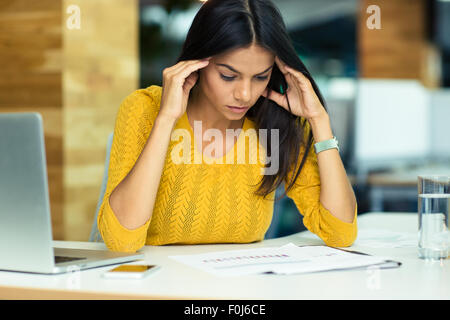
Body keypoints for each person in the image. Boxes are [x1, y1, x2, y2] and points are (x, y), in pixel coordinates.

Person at [97, 0, 357, 253]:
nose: (245, 94)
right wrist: (166, 119)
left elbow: (340, 232)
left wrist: (319, 119)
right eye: (228, 76)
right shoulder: (144, 109)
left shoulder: (276, 122)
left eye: (260, 77)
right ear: (198, 62)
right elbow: (122, 241)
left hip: (241, 290)